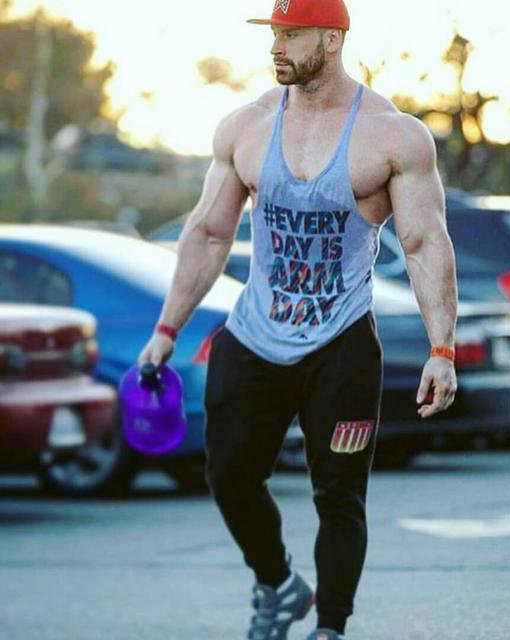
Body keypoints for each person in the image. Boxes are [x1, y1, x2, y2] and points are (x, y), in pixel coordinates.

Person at [138, 0, 458, 637]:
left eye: (292, 34)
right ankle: (279, 584)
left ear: (332, 40)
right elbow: (208, 234)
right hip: (254, 335)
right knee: (229, 475)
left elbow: (424, 243)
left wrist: (441, 349)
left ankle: (330, 627)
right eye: (275, 33)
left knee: (338, 494)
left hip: (341, 345)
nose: (276, 46)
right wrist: (166, 330)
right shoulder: (247, 127)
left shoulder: (392, 136)